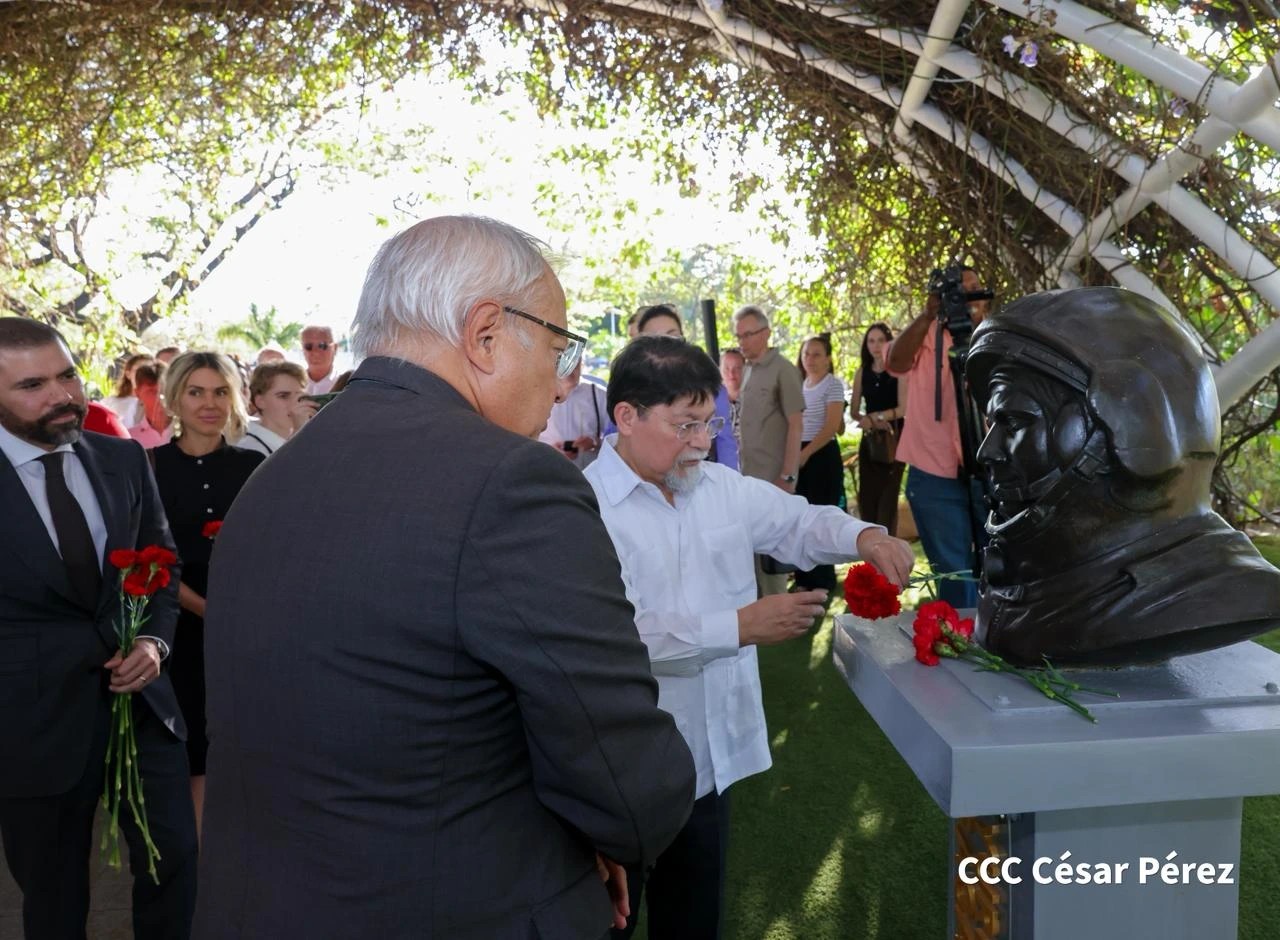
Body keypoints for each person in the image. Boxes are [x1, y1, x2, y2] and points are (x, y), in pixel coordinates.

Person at [194, 215, 695, 940]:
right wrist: (598, 833)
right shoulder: (511, 483)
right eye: (558, 348)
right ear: (486, 332)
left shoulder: (271, 478)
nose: (562, 388)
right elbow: (629, 786)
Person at [585, 336, 914, 940]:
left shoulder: (718, 487)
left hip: (706, 764)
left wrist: (867, 537)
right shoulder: (586, 507)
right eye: (685, 426)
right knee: (606, 922)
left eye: (710, 424)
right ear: (626, 417)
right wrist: (738, 626)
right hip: (620, 766)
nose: (700, 444)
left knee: (694, 917)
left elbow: (800, 521)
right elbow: (610, 640)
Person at [0, 318, 197, 940]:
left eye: (67, 375)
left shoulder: (120, 458)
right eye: (33, 385)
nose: (61, 395)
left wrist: (154, 642)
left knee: (176, 866)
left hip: (142, 710)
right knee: (55, 897)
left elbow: (161, 566)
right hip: (31, 727)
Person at [966, 286, 1280, 666]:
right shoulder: (1038, 590)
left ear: (1133, 425)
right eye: (993, 423)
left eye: (1014, 421)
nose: (989, 451)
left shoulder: (1211, 593)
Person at [149, 352, 263, 837]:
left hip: (248, 631)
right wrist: (207, 610)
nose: (209, 403)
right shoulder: (148, 467)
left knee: (251, 747)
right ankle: (203, 871)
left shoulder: (254, 465)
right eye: (196, 391)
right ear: (175, 397)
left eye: (220, 391)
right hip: (178, 634)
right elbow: (150, 558)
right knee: (197, 753)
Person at [885, 266, 991, 608]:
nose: (969, 297)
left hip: (990, 466)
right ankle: (964, 648)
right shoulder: (927, 333)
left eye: (976, 289)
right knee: (954, 573)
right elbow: (896, 362)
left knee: (999, 563)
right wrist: (928, 315)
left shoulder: (995, 335)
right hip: (932, 471)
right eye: (961, 291)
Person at [732, 305, 805, 595]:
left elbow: (796, 426)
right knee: (752, 550)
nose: (742, 342)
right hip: (749, 478)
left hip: (775, 480)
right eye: (738, 336)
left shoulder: (783, 370)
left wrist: (788, 477)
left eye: (748, 335)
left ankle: (780, 614)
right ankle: (759, 611)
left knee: (775, 554)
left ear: (766, 333)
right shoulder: (748, 369)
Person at [637, 305, 738, 471]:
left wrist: (733, 490)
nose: (665, 345)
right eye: (654, 339)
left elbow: (725, 443)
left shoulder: (711, 389)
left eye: (672, 336)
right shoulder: (629, 393)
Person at [793, 334, 847, 593]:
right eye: (806, 354)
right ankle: (804, 578)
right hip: (799, 455)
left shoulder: (832, 385)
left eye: (816, 354)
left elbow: (831, 427)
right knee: (800, 517)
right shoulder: (799, 385)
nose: (810, 359)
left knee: (821, 517)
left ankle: (823, 580)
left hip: (822, 456)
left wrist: (807, 453)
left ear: (827, 358)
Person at [850, 323, 906, 535]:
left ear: (889, 342)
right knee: (868, 498)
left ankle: (890, 548)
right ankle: (873, 551)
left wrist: (880, 417)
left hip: (895, 438)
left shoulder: (898, 370)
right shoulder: (862, 373)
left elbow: (903, 408)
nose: (875, 346)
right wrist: (869, 420)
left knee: (888, 500)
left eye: (880, 340)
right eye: (871, 341)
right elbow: (855, 411)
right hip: (871, 440)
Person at [539, 358, 609, 469]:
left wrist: (595, 442)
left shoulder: (599, 394)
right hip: (546, 472)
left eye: (575, 362)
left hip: (588, 477)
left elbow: (617, 438)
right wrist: (547, 451)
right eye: (564, 361)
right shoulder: (537, 393)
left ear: (582, 363)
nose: (570, 367)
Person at [238, 360, 315, 457]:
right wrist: (298, 433)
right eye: (283, 396)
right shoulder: (249, 448)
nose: (295, 402)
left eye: (300, 396)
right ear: (260, 401)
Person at [100, 352, 153, 426]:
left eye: (150, 371)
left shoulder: (157, 408)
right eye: (140, 370)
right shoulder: (109, 402)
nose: (144, 375)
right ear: (128, 374)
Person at [128, 361, 173, 449]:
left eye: (164, 390)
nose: (160, 397)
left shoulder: (189, 433)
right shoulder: (130, 439)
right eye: (152, 391)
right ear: (138, 393)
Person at [299, 324, 339, 394]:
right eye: (308, 346)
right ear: (302, 349)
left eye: (322, 346)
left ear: (335, 348)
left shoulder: (349, 384)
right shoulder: (291, 383)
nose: (315, 352)